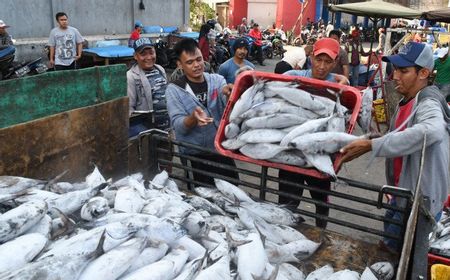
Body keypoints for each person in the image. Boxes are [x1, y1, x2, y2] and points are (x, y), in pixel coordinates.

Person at [341, 42, 450, 251]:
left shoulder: (428, 103)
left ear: (423, 73)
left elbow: (433, 130)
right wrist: (374, 137)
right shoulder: (407, 99)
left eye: (403, 71)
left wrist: (373, 145)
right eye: (396, 69)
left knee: (401, 257)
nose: (395, 76)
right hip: (400, 194)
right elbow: (402, 135)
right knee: (388, 247)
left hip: (420, 202)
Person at [281, 38, 348, 228]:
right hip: (291, 151)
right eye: (318, 60)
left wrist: (345, 84)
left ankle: (322, 233)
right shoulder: (294, 75)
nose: (322, 66)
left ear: (335, 63)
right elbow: (273, 82)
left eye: (328, 62)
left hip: (320, 155)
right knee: (288, 200)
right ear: (311, 57)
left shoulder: (339, 87)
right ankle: (284, 230)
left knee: (321, 202)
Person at [165, 38, 238, 186]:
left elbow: (227, 106)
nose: (197, 65)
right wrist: (193, 118)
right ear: (180, 65)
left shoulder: (217, 80)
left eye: (199, 59)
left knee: (232, 189)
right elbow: (178, 126)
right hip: (194, 154)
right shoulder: (174, 90)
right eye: (190, 62)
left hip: (220, 149)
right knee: (202, 195)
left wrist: (229, 95)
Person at [127, 37, 168, 133]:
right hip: (149, 129)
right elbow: (129, 109)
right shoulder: (131, 76)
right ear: (135, 56)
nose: (149, 57)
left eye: (151, 53)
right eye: (143, 54)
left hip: (166, 127)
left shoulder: (160, 69)